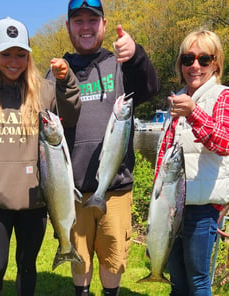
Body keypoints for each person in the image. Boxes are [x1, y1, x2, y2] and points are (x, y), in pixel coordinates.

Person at [46, 1, 160, 295]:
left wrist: (136, 56)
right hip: (70, 189)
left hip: (116, 189)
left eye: (92, 21)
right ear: (69, 27)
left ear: (104, 25)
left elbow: (149, 87)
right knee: (79, 259)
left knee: (113, 261)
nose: (86, 27)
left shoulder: (120, 64)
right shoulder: (57, 70)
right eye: (78, 21)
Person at [0, 17, 80, 296]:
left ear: (29, 55)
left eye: (21, 54)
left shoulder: (44, 90)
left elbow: (69, 118)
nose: (14, 61)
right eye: (5, 54)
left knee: (27, 265)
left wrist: (67, 81)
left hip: (35, 200)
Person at [154, 29, 229, 296]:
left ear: (216, 63)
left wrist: (194, 113)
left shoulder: (223, 96)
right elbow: (165, 156)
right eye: (188, 59)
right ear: (180, 64)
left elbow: (224, 142)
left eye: (204, 59)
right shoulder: (178, 99)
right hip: (171, 205)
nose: (194, 66)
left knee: (198, 282)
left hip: (203, 209)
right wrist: (157, 198)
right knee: (177, 281)